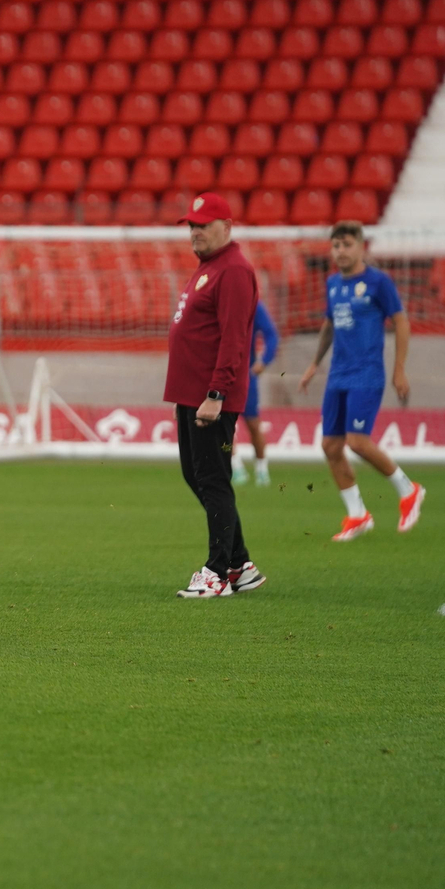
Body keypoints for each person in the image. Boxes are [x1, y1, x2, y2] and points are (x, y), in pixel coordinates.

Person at [163, 193, 266, 598]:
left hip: (210, 397)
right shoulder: (211, 268)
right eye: (191, 225)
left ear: (226, 225)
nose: (195, 232)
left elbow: (234, 339)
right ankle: (240, 565)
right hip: (191, 394)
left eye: (203, 225)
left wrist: (216, 393)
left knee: (212, 478)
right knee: (198, 475)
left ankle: (217, 570)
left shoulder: (234, 271)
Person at [297, 220, 425, 541]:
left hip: (367, 374)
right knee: (330, 445)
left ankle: (409, 490)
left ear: (361, 246)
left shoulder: (378, 282)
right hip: (338, 375)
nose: (340, 251)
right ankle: (358, 515)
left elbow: (401, 322)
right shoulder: (332, 284)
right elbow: (329, 325)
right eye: (336, 245)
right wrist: (314, 364)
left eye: (347, 244)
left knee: (357, 441)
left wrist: (399, 369)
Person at [231, 298, 278, 487]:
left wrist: (264, 361)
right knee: (222, 425)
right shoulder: (217, 302)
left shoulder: (252, 305)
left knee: (253, 424)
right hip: (219, 374)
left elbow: (271, 335)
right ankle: (236, 467)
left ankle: (261, 469)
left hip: (244, 376)